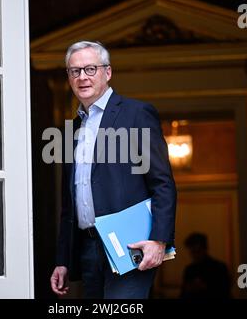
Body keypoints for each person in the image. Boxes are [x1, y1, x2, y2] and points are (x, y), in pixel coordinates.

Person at [50, 41, 177, 299]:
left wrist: (159, 240)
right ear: (69, 77)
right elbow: (69, 204)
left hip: (131, 245)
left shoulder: (136, 114)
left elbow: (162, 183)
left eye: (90, 69)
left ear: (107, 73)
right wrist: (63, 259)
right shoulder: (71, 130)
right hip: (87, 248)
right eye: (75, 71)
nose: (82, 77)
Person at [180, 233, 231, 299]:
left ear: (204, 249)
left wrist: (205, 287)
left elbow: (224, 292)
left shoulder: (219, 268)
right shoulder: (189, 270)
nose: (195, 255)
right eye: (192, 252)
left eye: (197, 251)